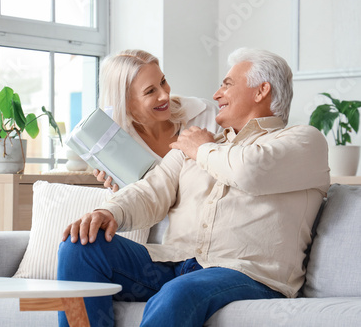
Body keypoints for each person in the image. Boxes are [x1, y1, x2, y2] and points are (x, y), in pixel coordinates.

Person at [57, 47, 331, 326]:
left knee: (179, 292)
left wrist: (202, 148)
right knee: (79, 246)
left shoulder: (304, 141)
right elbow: (150, 191)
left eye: (227, 84)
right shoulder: (200, 145)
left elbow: (249, 171)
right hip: (175, 264)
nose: (216, 95)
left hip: (247, 275)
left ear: (261, 91)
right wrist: (109, 213)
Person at [93, 49, 221, 192]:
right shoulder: (120, 146)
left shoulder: (204, 113)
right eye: (150, 91)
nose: (165, 96)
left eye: (163, 82)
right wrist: (120, 191)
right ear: (125, 101)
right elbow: (141, 205)